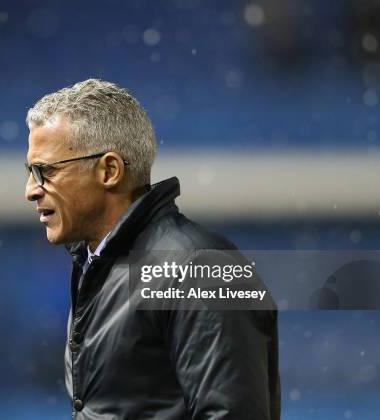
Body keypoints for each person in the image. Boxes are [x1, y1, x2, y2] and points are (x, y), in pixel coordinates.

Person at [24, 79, 280, 419]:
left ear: (109, 170)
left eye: (46, 171)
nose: (31, 190)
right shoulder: (97, 266)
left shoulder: (198, 267)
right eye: (31, 172)